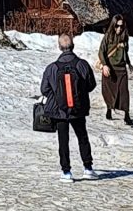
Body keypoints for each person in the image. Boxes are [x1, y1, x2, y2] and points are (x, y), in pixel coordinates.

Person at [41, 33, 97, 182]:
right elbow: (91, 85)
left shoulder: (51, 68)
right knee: (82, 137)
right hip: (78, 110)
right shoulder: (82, 64)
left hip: (60, 111)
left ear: (59, 47)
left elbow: (44, 89)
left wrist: (58, 96)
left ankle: (66, 172)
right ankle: (88, 168)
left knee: (63, 141)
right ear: (73, 46)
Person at [98, 14, 133, 128]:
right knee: (109, 91)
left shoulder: (125, 37)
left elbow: (125, 52)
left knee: (124, 92)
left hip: (121, 69)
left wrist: (129, 63)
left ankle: (127, 115)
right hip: (110, 68)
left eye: (121, 26)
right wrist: (105, 65)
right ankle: (109, 108)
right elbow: (101, 51)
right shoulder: (108, 36)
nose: (119, 28)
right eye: (117, 26)